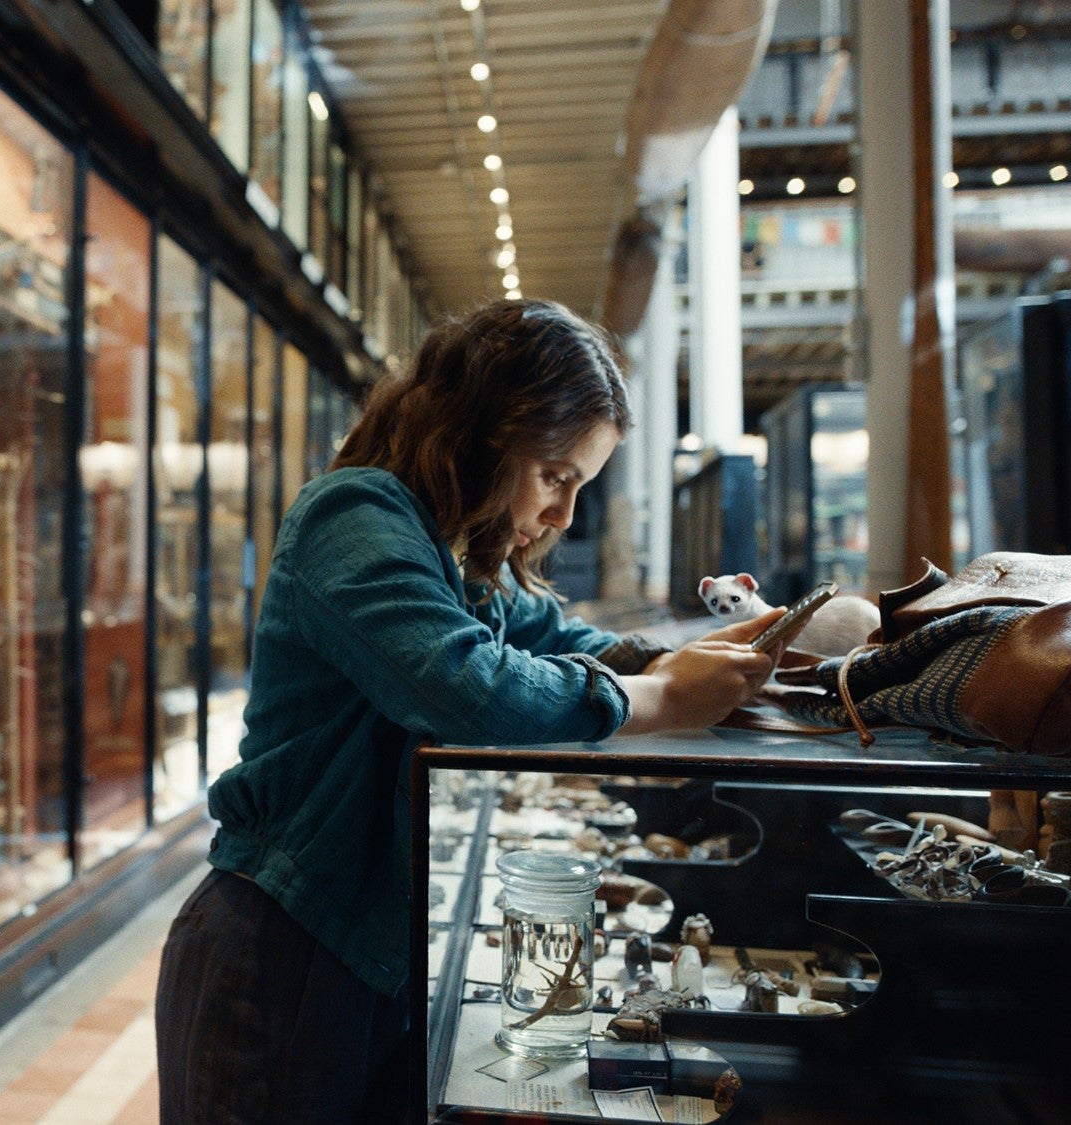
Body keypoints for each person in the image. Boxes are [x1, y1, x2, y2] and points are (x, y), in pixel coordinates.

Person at [154, 299, 782, 1123]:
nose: (562, 516)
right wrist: (662, 695)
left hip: (357, 959)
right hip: (276, 956)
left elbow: (559, 635)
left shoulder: (443, 548)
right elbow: (467, 687)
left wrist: (700, 653)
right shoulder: (353, 516)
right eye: (555, 476)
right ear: (486, 433)